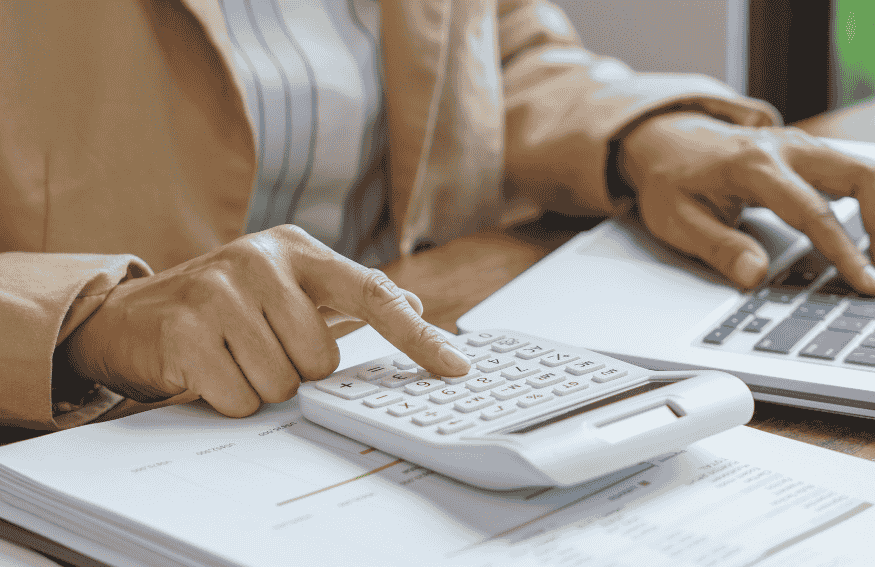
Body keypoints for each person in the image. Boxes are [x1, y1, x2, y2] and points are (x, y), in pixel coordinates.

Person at [2, 0, 874, 432]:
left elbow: (503, 46)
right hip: (96, 428)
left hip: (397, 374)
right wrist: (86, 316)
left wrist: (646, 131)